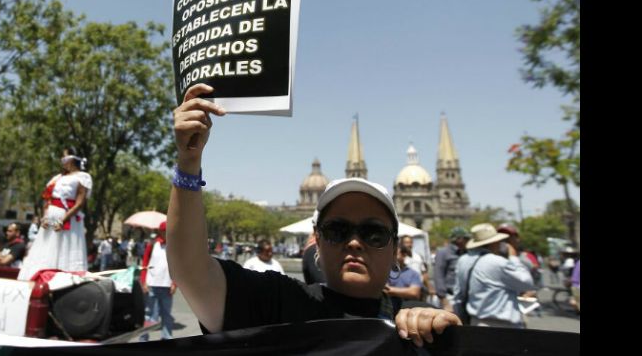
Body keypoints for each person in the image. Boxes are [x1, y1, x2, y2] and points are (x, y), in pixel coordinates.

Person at [167, 84, 461, 348]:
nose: (355, 243)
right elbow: (192, 272)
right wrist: (189, 162)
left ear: (395, 249)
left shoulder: (418, 321)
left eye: (373, 233)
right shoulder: (283, 303)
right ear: (316, 242)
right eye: (338, 230)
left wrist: (449, 335)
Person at [17, 147, 92, 280]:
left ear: (73, 159)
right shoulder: (57, 178)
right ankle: (37, 277)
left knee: (64, 249)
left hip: (67, 217)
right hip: (51, 216)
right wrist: (44, 216)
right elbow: (48, 198)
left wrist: (63, 219)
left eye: (65, 158)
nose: (62, 162)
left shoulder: (82, 177)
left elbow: (80, 202)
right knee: (45, 248)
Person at [453, 223, 535, 328]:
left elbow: (458, 294)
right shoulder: (497, 262)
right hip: (503, 325)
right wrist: (513, 257)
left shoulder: (463, 260)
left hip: (475, 321)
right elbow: (527, 282)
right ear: (494, 242)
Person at [139, 221, 177, 341]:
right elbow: (144, 264)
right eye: (165, 230)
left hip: (167, 286)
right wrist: (143, 281)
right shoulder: (152, 244)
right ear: (160, 231)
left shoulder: (175, 246)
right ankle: (143, 339)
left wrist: (175, 283)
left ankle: (166, 337)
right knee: (149, 315)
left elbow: (178, 267)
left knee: (166, 315)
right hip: (152, 285)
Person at [434, 226, 471, 312]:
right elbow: (438, 276)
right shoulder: (443, 252)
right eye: (466, 238)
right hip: (450, 298)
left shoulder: (467, 252)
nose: (468, 241)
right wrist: (444, 301)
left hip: (464, 298)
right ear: (459, 239)